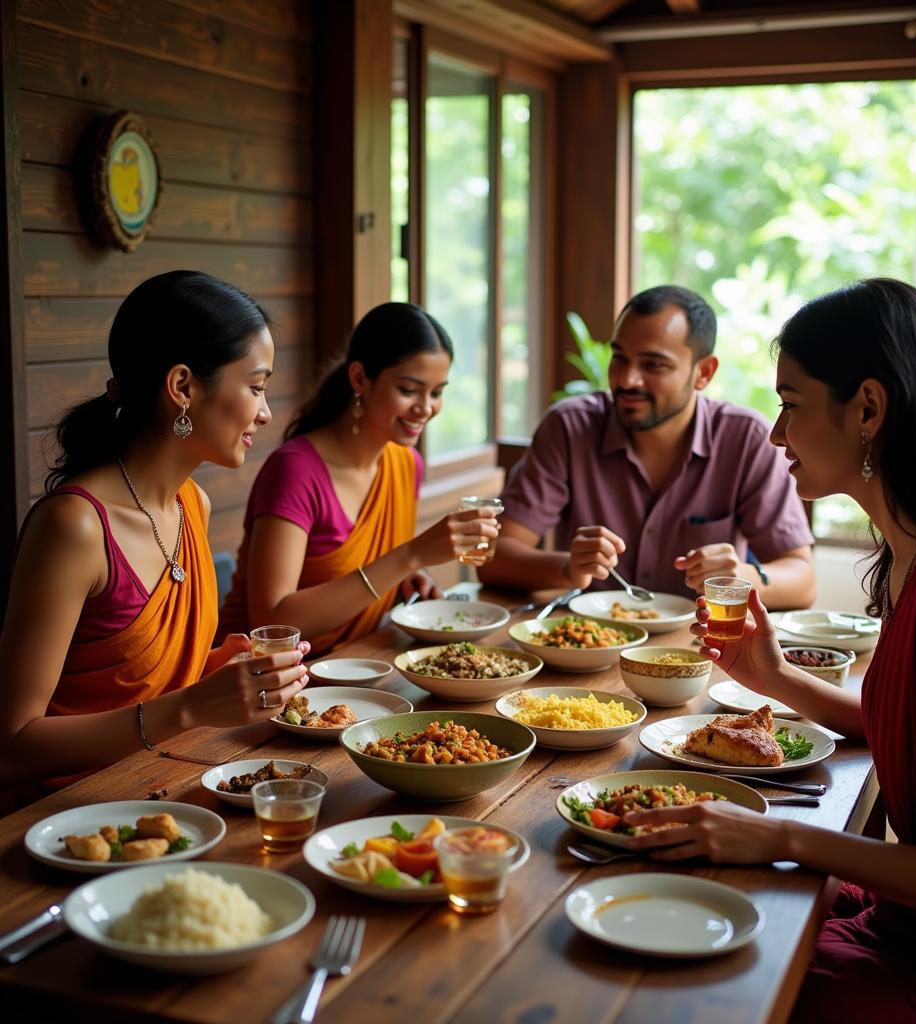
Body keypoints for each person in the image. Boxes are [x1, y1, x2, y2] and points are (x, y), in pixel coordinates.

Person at [624, 279, 916, 1022]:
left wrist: (785, 835)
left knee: (704, 993)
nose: (776, 434)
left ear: (868, 408)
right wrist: (776, 679)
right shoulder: (914, 559)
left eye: (792, 403)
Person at [0, 271, 310, 787]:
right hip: (68, 822)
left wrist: (215, 672)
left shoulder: (193, 504)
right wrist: (189, 707)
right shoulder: (74, 526)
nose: (265, 412)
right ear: (182, 386)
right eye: (256, 387)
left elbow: (138, 691)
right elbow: (12, 747)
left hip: (172, 784)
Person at [477, 285, 815, 608]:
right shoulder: (569, 428)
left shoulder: (745, 440)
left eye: (653, 365)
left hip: (700, 651)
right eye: (620, 358)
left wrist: (742, 577)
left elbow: (804, 580)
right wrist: (567, 569)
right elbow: (493, 557)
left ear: (704, 373)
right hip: (589, 649)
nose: (627, 380)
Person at [217, 302, 500, 655]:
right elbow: (273, 622)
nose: (426, 408)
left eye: (437, 392)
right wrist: (410, 557)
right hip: (258, 679)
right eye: (410, 390)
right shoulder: (295, 471)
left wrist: (404, 579)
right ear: (360, 379)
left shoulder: (405, 463)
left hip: (359, 662)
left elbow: (365, 569)